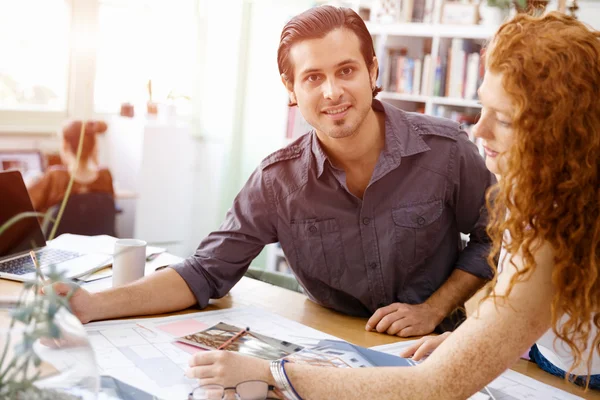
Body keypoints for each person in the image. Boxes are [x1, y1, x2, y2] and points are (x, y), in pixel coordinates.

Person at [181, 11, 600, 398]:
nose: (478, 132)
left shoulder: (553, 232)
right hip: (543, 361)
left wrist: (271, 374)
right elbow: (527, 312)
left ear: (564, 130)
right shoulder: (549, 200)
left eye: (504, 119)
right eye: (482, 108)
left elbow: (434, 386)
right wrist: (468, 340)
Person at [51, 6, 494, 337]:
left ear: (373, 71)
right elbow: (206, 273)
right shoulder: (277, 180)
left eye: (346, 71)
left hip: (435, 345)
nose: (333, 91)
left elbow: (494, 234)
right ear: (292, 89)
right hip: (328, 346)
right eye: (313, 77)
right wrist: (92, 304)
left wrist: (434, 309)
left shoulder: (446, 149)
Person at [28, 120, 114, 214]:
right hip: (98, 229)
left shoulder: (55, 176)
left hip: (60, 229)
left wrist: (32, 183)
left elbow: (26, 205)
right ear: (93, 146)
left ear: (65, 145)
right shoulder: (105, 176)